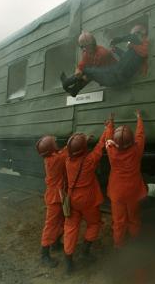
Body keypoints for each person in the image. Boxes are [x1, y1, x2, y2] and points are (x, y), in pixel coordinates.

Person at [63, 115, 114, 273]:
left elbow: (72, 148)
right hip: (87, 199)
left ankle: (68, 262)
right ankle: (85, 251)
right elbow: (100, 146)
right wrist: (108, 127)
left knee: (71, 227)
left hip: (72, 199)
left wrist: (83, 140)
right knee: (94, 223)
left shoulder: (67, 160)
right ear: (84, 149)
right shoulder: (89, 161)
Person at [64, 24, 149, 97]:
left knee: (88, 71)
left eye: (135, 34)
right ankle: (74, 90)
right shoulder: (136, 51)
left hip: (116, 75)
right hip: (117, 73)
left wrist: (117, 40)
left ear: (140, 35)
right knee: (89, 73)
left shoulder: (143, 46)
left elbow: (133, 37)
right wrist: (117, 50)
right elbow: (126, 61)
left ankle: (66, 83)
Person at [105, 110, 147, 249]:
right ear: (131, 141)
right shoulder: (137, 150)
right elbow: (140, 135)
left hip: (117, 192)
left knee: (118, 221)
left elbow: (108, 137)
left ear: (116, 143)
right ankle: (135, 242)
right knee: (134, 218)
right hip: (133, 191)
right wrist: (139, 118)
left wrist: (111, 122)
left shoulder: (111, 151)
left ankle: (119, 245)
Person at [36, 135, 68, 268]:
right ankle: (44, 255)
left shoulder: (51, 157)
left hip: (57, 195)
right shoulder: (56, 159)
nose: (56, 144)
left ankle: (55, 243)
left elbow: (62, 152)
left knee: (61, 220)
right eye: (54, 143)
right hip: (55, 197)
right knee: (51, 225)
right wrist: (78, 141)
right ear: (51, 148)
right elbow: (66, 153)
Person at [60, 31, 117, 97]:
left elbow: (94, 72)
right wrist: (78, 70)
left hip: (111, 78)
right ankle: (73, 90)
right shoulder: (87, 52)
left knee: (87, 72)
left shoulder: (102, 53)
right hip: (102, 74)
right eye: (82, 47)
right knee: (84, 71)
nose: (83, 49)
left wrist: (83, 76)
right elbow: (82, 64)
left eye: (84, 47)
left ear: (91, 45)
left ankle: (67, 83)